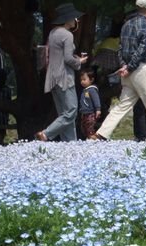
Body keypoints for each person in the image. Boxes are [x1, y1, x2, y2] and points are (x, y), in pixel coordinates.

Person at [92, 0, 146, 141]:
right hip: (142, 69)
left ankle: (101, 133)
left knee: (122, 106)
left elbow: (120, 47)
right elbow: (142, 51)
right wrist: (131, 66)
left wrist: (124, 66)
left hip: (127, 71)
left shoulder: (126, 24)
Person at [35, 3, 88, 142]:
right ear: (68, 19)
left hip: (52, 78)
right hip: (64, 78)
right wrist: (80, 62)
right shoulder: (67, 35)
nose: (76, 19)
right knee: (71, 111)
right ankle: (46, 133)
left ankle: (69, 144)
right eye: (74, 17)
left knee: (63, 114)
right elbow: (68, 58)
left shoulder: (53, 33)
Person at [78, 69, 101, 139]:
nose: (82, 82)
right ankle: (89, 138)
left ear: (91, 80)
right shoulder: (85, 90)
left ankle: (93, 139)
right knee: (84, 127)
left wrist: (98, 109)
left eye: (84, 79)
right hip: (84, 113)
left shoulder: (92, 90)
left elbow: (96, 100)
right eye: (81, 80)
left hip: (91, 113)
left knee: (90, 127)